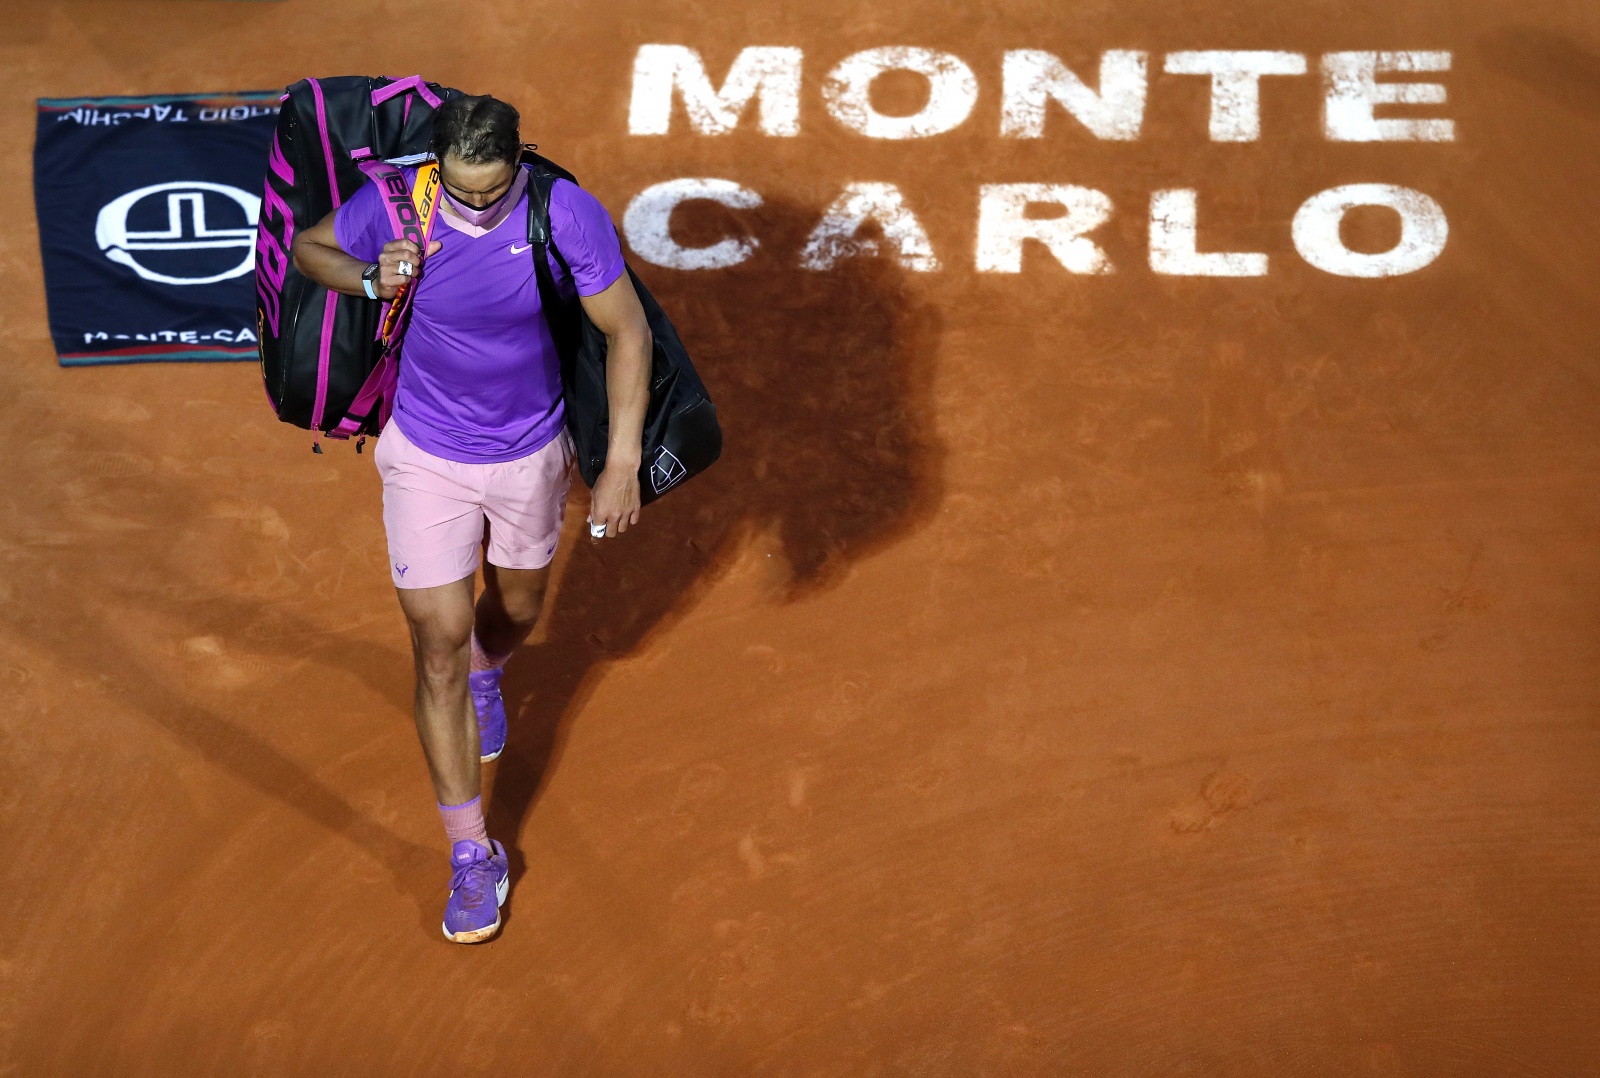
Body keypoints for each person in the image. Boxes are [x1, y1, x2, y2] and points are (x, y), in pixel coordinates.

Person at [291, 94, 651, 943]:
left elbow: (628, 332)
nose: (477, 205)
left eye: (492, 190)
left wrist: (620, 464)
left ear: (518, 159)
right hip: (424, 454)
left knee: (516, 610)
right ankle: (471, 853)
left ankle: (490, 670)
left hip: (531, 454)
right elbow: (309, 249)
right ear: (438, 165)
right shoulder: (399, 202)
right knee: (438, 642)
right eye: (461, 189)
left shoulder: (564, 212)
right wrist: (370, 277)